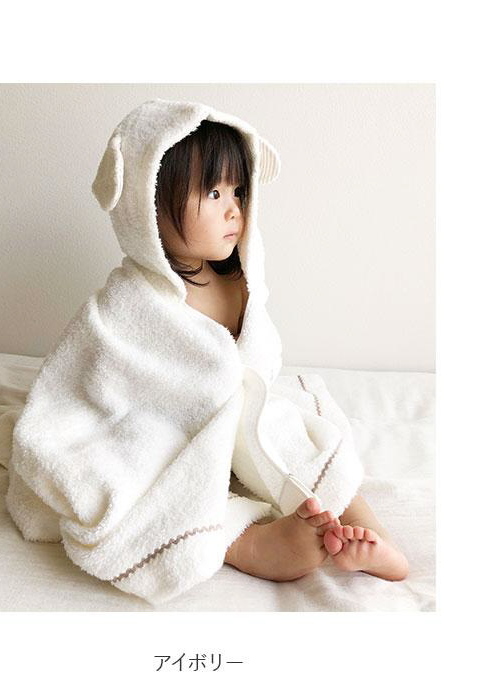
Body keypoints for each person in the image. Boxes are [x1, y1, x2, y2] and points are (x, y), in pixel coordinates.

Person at [154, 119, 409, 583]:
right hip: (183, 433)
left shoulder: (239, 278)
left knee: (315, 455)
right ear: (149, 203)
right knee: (168, 491)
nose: (234, 210)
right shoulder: (140, 300)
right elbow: (116, 376)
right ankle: (252, 544)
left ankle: (376, 541)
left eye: (238, 192)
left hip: (250, 420)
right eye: (214, 193)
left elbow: (262, 356)